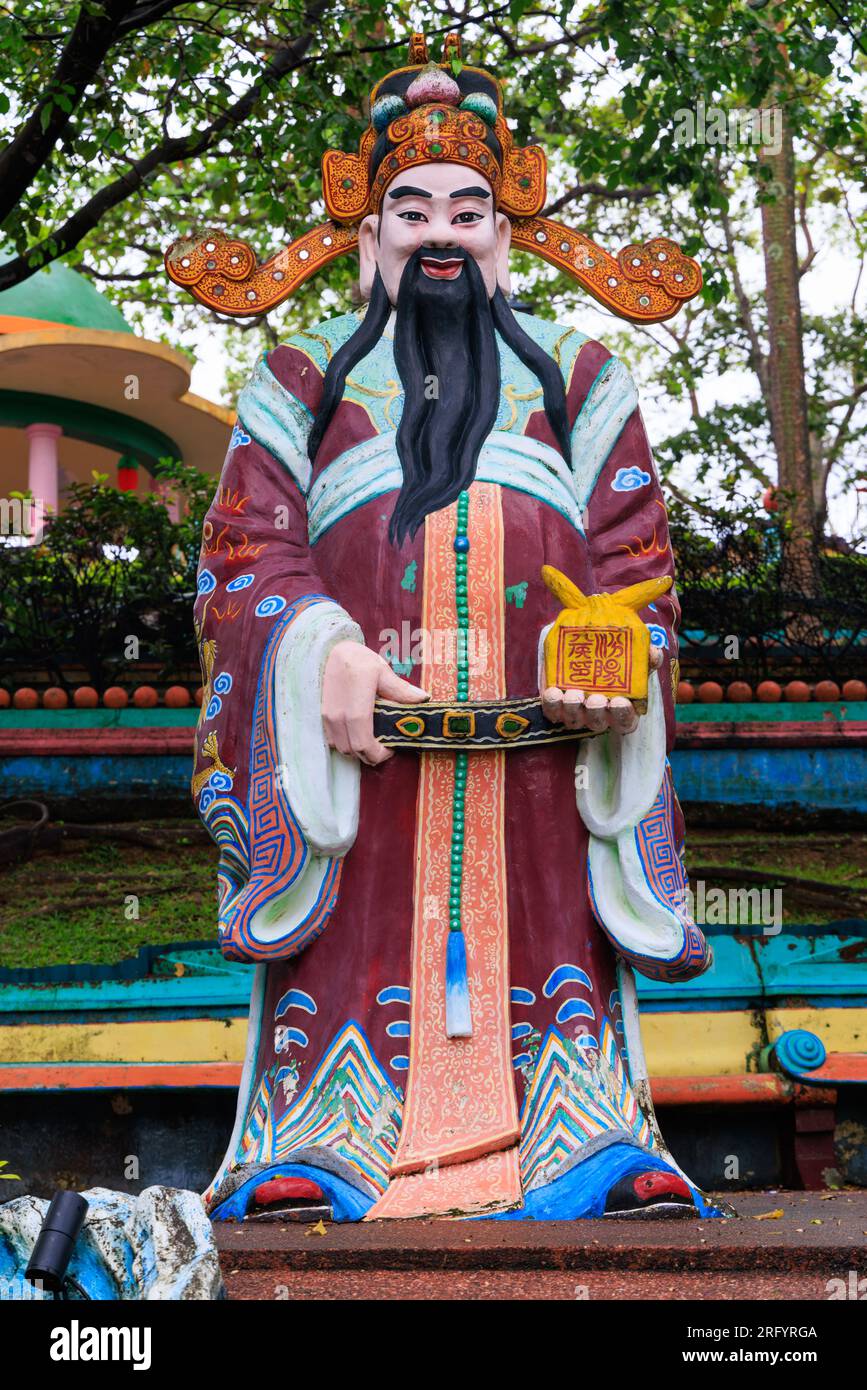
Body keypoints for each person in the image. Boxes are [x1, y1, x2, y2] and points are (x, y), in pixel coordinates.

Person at [189, 34, 720, 1222]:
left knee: (555, 950)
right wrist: (315, 646)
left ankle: (585, 1131)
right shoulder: (297, 379)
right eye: (412, 209)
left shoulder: (585, 379)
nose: (442, 233)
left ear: (505, 237)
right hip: (361, 768)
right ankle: (322, 1133)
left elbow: (639, 562)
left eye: (471, 211)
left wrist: (620, 660)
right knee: (355, 943)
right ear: (370, 236)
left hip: (544, 763)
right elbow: (240, 557)